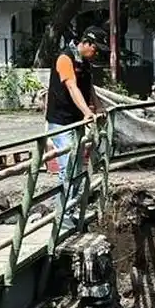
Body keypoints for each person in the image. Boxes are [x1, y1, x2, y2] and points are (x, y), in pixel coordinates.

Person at [44, 28, 105, 233]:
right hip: (61, 122)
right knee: (67, 167)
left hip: (75, 121)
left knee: (77, 167)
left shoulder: (84, 63)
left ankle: (69, 211)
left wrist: (99, 107)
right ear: (86, 43)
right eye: (95, 49)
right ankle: (61, 216)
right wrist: (87, 112)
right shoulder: (65, 59)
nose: (96, 53)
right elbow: (72, 86)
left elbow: (89, 87)